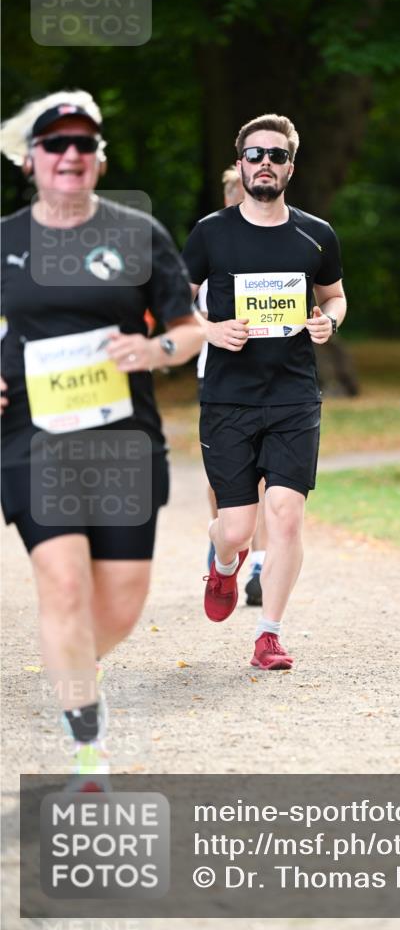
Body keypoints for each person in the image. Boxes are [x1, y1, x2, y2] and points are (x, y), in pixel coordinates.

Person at [0, 91, 203, 776]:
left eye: (83, 144)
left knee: (117, 606)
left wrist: (156, 352)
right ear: (31, 160)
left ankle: (71, 666)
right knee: (62, 585)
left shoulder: (136, 233)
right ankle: (88, 742)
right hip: (32, 439)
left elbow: (190, 331)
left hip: (124, 441)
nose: (70, 155)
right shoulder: (4, 242)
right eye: (55, 144)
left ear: (99, 158)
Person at [183, 113, 346, 671]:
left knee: (286, 515)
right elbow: (178, 303)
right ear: (240, 163)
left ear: (290, 168)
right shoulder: (210, 232)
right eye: (255, 155)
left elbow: (336, 296)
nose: (265, 164)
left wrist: (328, 319)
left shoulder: (316, 233)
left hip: (294, 395)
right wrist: (209, 329)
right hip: (227, 396)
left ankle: (269, 634)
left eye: (276, 156)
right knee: (237, 527)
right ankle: (224, 563)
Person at [197, 165, 267, 606]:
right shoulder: (207, 243)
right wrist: (210, 330)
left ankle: (257, 560)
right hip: (216, 371)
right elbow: (182, 310)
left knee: (261, 471)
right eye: (234, 192)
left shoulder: (271, 244)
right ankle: (223, 537)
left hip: (265, 375)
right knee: (221, 472)